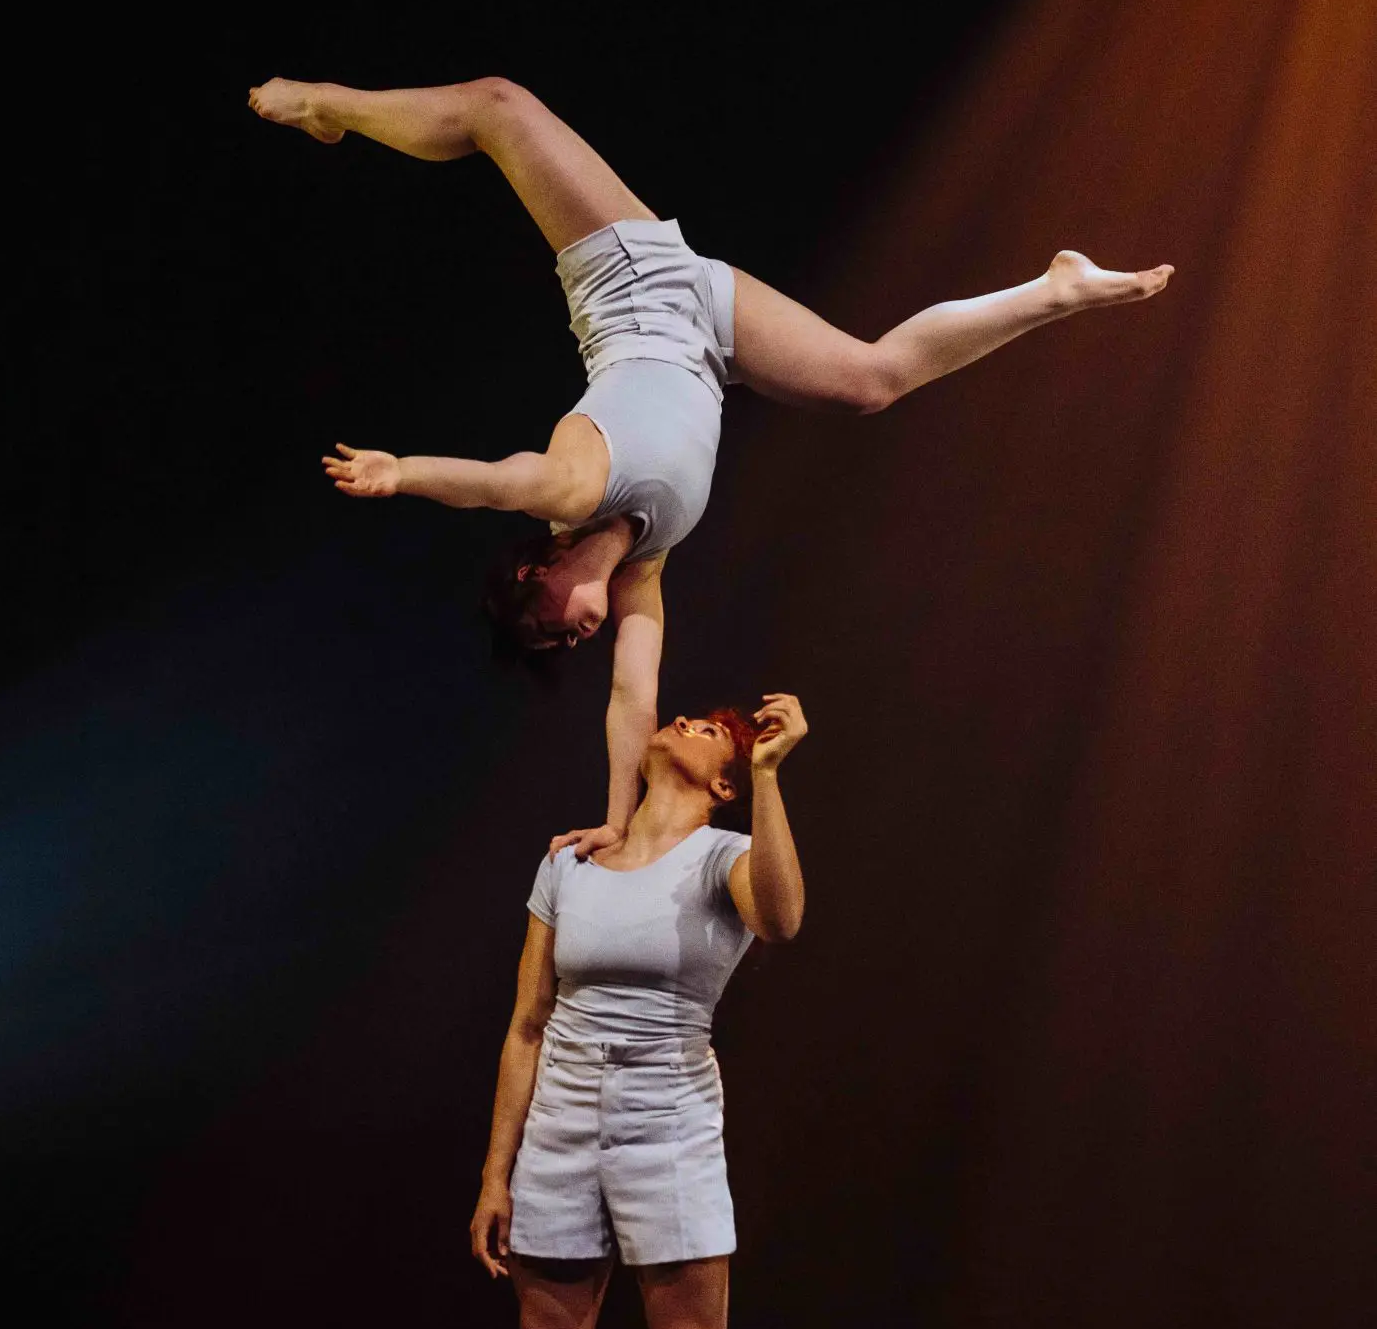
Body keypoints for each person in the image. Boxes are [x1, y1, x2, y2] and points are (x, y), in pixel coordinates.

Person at [250, 73, 1172, 856]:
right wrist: (615, 823)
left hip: (630, 278)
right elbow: (630, 703)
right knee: (868, 380)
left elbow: (496, 478)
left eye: (548, 628)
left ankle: (332, 103)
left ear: (537, 571)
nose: (574, 639)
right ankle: (1055, 288)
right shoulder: (645, 565)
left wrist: (401, 471)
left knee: (500, 107)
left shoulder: (571, 489)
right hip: (711, 329)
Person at [412, 688, 808, 1329]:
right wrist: (496, 1171)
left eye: (713, 727)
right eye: (695, 716)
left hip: (667, 1124)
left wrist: (765, 775)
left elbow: (787, 919)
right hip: (560, 1130)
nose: (686, 718)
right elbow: (527, 1023)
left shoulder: (722, 857)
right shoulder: (569, 862)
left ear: (721, 777)